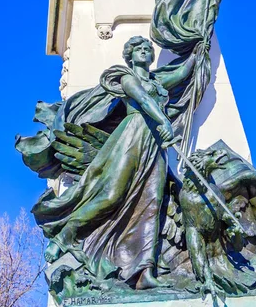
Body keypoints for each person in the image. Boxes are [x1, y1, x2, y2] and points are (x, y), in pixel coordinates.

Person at [25, 36, 196, 289]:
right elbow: (144, 101)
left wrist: (200, 48)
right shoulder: (126, 78)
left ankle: (144, 272)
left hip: (154, 145)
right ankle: (66, 234)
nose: (145, 51)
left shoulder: (157, 83)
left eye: (148, 48)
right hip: (132, 135)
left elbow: (183, 72)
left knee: (153, 202)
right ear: (130, 55)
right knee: (111, 194)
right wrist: (163, 121)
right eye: (138, 48)